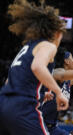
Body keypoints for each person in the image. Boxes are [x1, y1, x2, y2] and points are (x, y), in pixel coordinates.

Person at [0, 0, 69, 134]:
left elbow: (10, 82)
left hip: (3, 103)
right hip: (22, 109)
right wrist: (58, 92)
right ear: (57, 33)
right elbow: (37, 67)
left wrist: (41, 95)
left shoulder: (27, 47)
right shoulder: (48, 45)